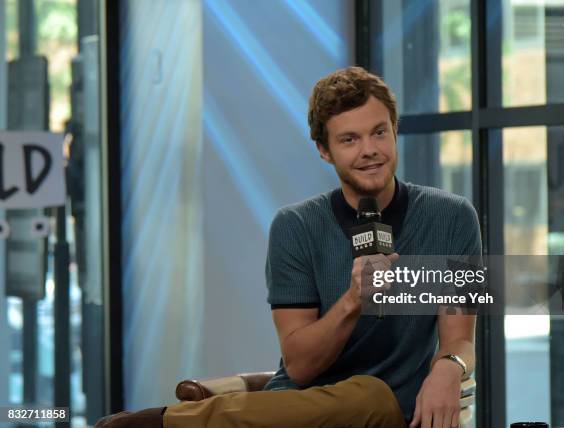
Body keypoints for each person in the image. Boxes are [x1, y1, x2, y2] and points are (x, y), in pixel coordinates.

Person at [97, 66, 480, 428]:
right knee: (363, 393)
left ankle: (162, 423)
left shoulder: (452, 216)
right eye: (349, 139)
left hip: (391, 410)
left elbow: (460, 339)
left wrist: (449, 366)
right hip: (299, 410)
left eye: (379, 133)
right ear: (324, 150)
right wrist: (352, 300)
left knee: (370, 393)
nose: (369, 150)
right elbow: (299, 368)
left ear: (395, 130)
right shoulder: (295, 226)